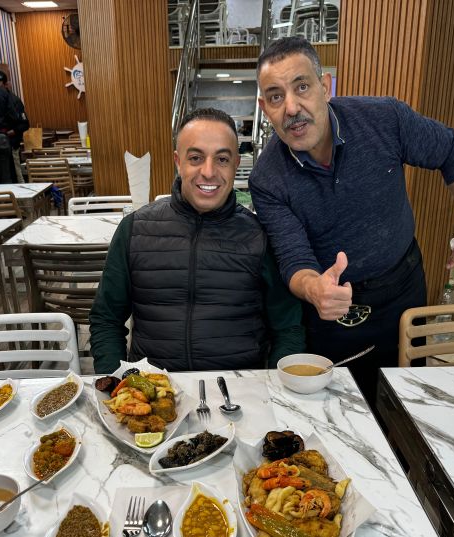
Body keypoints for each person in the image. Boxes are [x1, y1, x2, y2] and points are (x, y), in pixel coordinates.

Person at [249, 37, 454, 405]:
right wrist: (316, 290)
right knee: (342, 404)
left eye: (302, 87)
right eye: (276, 96)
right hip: (335, 306)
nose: (292, 107)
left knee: (410, 395)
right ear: (265, 108)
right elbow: (293, 256)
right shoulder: (267, 177)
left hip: (403, 283)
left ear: (325, 86)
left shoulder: (383, 119)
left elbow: (452, 150)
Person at [89, 107, 305, 374]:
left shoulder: (260, 236)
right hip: (154, 394)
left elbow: (289, 327)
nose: (208, 171)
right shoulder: (134, 229)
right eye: (195, 158)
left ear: (236, 163)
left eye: (222, 159)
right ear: (178, 162)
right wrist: (120, 384)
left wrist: (275, 389)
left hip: (241, 393)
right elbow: (106, 319)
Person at [0, 70, 29, 183]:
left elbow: (25, 124)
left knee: (17, 174)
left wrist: (10, 132)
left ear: (5, 84)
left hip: (12, 143)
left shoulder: (14, 100)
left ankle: (23, 199)